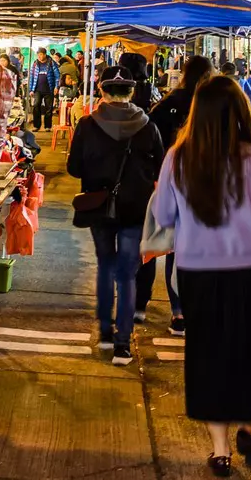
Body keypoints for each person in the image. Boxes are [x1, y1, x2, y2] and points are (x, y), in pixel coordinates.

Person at [148, 74, 251, 477]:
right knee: (246, 349)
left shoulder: (179, 158)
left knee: (207, 352)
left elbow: (164, 216)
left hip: (198, 269)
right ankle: (242, 421)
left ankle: (220, 450)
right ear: (241, 112)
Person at [66, 73, 165, 365]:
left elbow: (73, 167)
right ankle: (123, 346)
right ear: (131, 94)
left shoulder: (87, 124)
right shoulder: (148, 127)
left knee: (106, 266)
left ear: (103, 92)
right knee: (127, 274)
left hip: (99, 206)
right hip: (136, 210)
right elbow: (160, 167)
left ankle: (106, 334)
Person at [148, 54, 216, 334]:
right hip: (209, 183)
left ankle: (178, 312)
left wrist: (158, 171)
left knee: (176, 246)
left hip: (174, 177)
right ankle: (196, 308)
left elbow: (151, 131)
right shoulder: (212, 103)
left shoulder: (170, 102)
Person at [28, 48, 58, 130]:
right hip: (37, 89)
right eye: (38, 55)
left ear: (45, 54)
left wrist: (56, 86)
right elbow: (31, 77)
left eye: (41, 54)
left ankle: (48, 126)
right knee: (36, 105)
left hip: (49, 89)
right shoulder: (35, 64)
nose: (39, 56)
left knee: (49, 108)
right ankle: (36, 125)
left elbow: (57, 76)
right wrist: (31, 89)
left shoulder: (51, 63)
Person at [57, 51, 82, 127]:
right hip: (74, 85)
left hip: (65, 86)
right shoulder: (73, 66)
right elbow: (78, 74)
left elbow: (59, 78)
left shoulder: (60, 68)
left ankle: (64, 120)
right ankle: (72, 121)